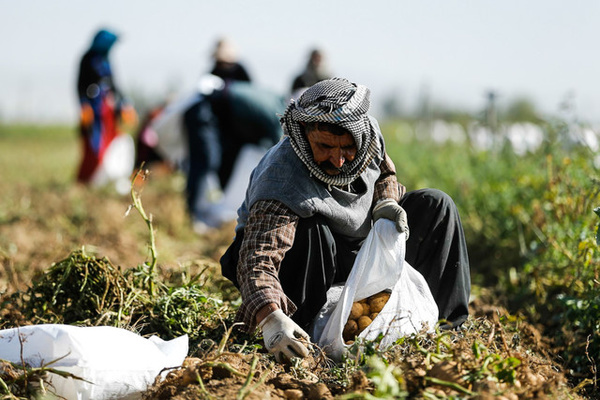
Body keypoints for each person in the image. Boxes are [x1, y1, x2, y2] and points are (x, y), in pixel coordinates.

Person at [220, 78, 471, 363]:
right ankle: (303, 338)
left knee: (436, 205)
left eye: (347, 148)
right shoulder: (281, 179)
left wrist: (386, 203)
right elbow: (258, 261)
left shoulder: (367, 135)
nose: (338, 160)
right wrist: (270, 318)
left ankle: (445, 332)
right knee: (314, 230)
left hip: (355, 245)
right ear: (304, 133)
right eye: (325, 146)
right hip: (302, 256)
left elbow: (385, 174)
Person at [150, 75, 286, 232]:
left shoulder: (277, 102)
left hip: (223, 120)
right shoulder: (278, 117)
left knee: (226, 163)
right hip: (204, 109)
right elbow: (280, 157)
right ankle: (192, 216)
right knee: (206, 160)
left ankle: (215, 210)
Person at [76, 28, 137, 185]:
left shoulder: (106, 60)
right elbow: (80, 85)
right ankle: (87, 179)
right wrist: (84, 106)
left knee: (111, 141)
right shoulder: (87, 59)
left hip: (107, 109)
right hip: (93, 108)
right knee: (94, 143)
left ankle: (104, 177)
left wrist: (125, 103)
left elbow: (114, 84)